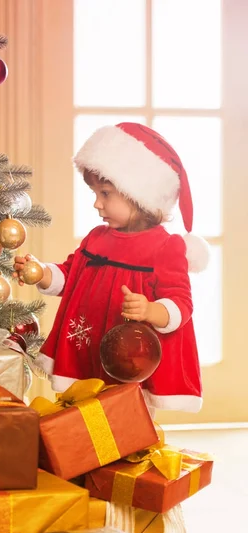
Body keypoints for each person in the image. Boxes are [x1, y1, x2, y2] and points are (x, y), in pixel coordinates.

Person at [13, 123, 210, 413]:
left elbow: (181, 302)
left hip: (131, 358)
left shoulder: (165, 247)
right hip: (87, 347)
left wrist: (150, 310)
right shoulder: (96, 238)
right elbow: (71, 276)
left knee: (128, 418)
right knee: (82, 413)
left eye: (105, 193)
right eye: (95, 192)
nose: (96, 203)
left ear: (138, 195)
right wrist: (41, 272)